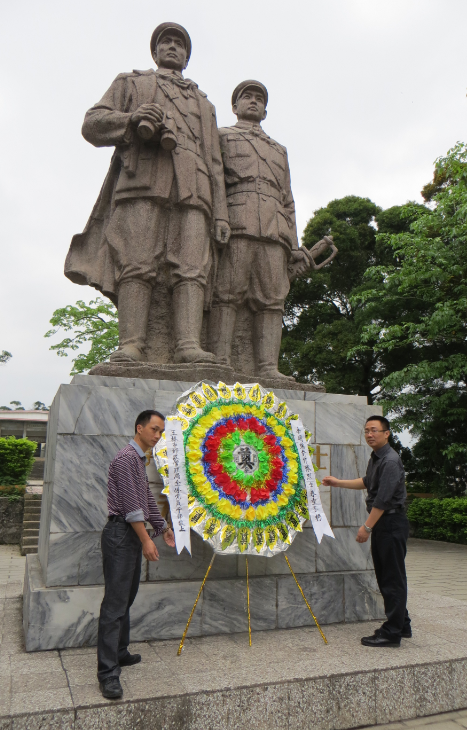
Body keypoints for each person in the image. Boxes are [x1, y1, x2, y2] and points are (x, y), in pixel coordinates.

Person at [65, 22, 230, 365]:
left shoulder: (204, 103)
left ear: (187, 55)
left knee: (191, 268)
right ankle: (132, 345)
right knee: (136, 263)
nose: (172, 47)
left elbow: (215, 162)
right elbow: (92, 124)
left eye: (179, 44)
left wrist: (221, 213)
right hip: (143, 181)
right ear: (155, 52)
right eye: (165, 42)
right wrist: (131, 119)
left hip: (194, 189)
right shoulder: (131, 82)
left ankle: (187, 345)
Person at [209, 80, 311, 381]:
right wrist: (218, 217)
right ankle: (220, 360)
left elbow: (288, 198)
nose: (253, 102)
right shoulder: (222, 136)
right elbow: (215, 180)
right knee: (227, 292)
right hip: (237, 219)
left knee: (272, 298)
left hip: (273, 229)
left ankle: (268, 367)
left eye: (259, 99)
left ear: (265, 110)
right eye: (246, 97)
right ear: (235, 106)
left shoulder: (278, 150)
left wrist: (292, 244)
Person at [97, 410, 175, 699]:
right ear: (139, 428)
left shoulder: (138, 461)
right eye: (154, 430)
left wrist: (162, 528)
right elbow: (131, 508)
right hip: (120, 535)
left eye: (160, 432)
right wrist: (147, 540)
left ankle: (119, 652)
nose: (157, 436)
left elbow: (146, 503)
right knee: (114, 605)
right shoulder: (125, 459)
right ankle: (107, 674)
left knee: (126, 598)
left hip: (128, 535)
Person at [322, 415, 411, 647]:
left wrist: (366, 527)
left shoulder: (390, 460)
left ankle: (392, 633)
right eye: (366, 431)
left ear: (386, 433)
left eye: (374, 430)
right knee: (388, 574)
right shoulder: (377, 458)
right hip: (385, 523)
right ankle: (403, 624)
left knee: (392, 577)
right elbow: (367, 482)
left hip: (389, 523)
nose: (370, 434)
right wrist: (338, 482)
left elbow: (382, 500)